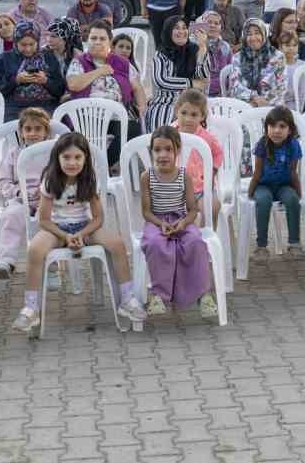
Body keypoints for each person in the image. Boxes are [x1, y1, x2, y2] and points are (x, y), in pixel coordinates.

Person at [11, 131, 146, 331]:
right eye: (66, 157)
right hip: (56, 229)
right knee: (35, 250)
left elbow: (98, 218)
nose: (72, 163)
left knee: (117, 244)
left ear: (85, 159)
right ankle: (31, 308)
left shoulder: (88, 180)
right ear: (57, 158)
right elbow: (44, 220)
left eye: (77, 157)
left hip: (84, 226)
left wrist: (81, 234)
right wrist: (66, 236)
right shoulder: (50, 180)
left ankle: (127, 299)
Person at [139, 124, 217, 317]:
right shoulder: (147, 177)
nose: (162, 155)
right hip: (156, 221)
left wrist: (182, 224)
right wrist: (160, 224)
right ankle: (158, 295)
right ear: (151, 152)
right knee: (155, 243)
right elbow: (146, 212)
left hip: (181, 219)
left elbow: (193, 210)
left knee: (195, 242)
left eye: (168, 149)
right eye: (157, 150)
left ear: (177, 151)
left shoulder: (184, 176)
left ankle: (203, 294)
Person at [0, 107, 53, 281]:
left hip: (47, 199)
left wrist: (48, 193)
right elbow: (3, 180)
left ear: (46, 131)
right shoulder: (13, 153)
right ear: (21, 132)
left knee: (49, 220)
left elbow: (61, 177)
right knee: (11, 215)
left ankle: (51, 264)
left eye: (38, 129)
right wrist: (18, 192)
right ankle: (7, 261)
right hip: (20, 198)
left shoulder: (53, 153)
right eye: (28, 129)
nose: (33, 133)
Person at [248, 105, 304, 261]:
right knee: (263, 201)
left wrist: (298, 192)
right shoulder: (262, 144)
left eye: (282, 126)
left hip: (284, 185)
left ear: (290, 130)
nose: (277, 130)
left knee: (292, 200)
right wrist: (251, 192)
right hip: (263, 185)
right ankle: (261, 247)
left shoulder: (293, 145)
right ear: (266, 127)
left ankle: (294, 243)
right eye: (272, 126)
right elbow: (258, 172)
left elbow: (293, 171)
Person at [145, 19, 210, 130]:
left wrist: (203, 48)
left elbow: (202, 76)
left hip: (190, 104)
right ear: (168, 31)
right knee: (163, 136)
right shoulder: (161, 54)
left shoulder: (194, 50)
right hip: (165, 103)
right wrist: (190, 83)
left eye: (184, 28)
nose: (181, 31)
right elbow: (161, 81)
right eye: (176, 28)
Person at [0, 21, 65, 116]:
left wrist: (46, 81)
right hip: (14, 106)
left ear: (37, 42)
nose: (28, 49)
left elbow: (60, 89)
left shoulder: (48, 57)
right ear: (16, 42)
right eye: (23, 45)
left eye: (32, 44)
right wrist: (16, 80)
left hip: (46, 105)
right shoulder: (5, 58)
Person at [229, 19, 288, 108]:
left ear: (264, 34)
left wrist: (262, 101)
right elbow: (235, 85)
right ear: (244, 37)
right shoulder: (237, 57)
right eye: (249, 34)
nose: (253, 38)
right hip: (244, 104)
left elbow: (281, 87)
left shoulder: (278, 57)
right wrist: (253, 97)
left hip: (271, 105)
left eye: (257, 33)